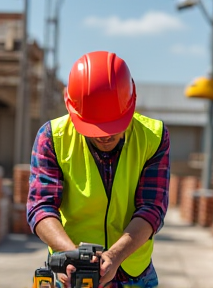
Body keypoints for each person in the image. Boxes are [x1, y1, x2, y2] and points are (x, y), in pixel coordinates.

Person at [27, 50, 170, 288]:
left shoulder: (153, 137)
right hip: (70, 271)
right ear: (73, 111)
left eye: (114, 126)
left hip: (134, 275)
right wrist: (72, 256)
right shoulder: (52, 137)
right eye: (95, 127)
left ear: (131, 105)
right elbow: (40, 208)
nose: (105, 136)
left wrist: (114, 256)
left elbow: (152, 208)